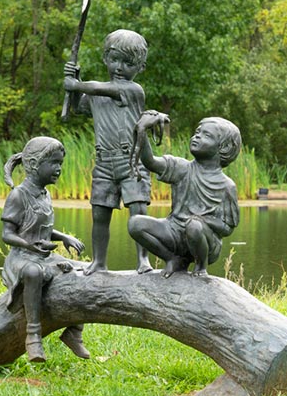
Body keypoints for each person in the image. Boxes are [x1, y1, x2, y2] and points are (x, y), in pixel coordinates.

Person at [63, 29, 152, 275]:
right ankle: (99, 262)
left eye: (128, 63)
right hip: (104, 162)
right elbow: (77, 107)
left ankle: (143, 261)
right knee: (99, 214)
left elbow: (98, 88)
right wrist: (72, 88)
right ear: (105, 58)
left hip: (131, 161)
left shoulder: (133, 90)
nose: (119, 67)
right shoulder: (95, 95)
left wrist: (78, 84)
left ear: (140, 67)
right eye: (114, 60)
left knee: (138, 211)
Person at [1, 136, 89, 363]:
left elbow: (42, 229)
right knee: (33, 273)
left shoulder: (45, 194)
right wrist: (28, 245)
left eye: (60, 163)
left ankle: (74, 332)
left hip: (44, 255)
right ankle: (33, 337)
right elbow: (7, 235)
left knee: (87, 270)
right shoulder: (18, 195)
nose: (59, 169)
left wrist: (64, 236)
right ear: (33, 165)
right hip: (22, 257)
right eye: (54, 163)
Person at [128, 111, 241, 277]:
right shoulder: (181, 168)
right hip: (173, 232)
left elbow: (227, 228)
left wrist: (201, 221)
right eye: (197, 133)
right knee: (135, 224)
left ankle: (200, 268)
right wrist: (142, 130)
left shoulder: (227, 186)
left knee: (194, 226)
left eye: (206, 135)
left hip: (205, 241)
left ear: (223, 148)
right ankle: (173, 259)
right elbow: (150, 161)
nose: (196, 137)